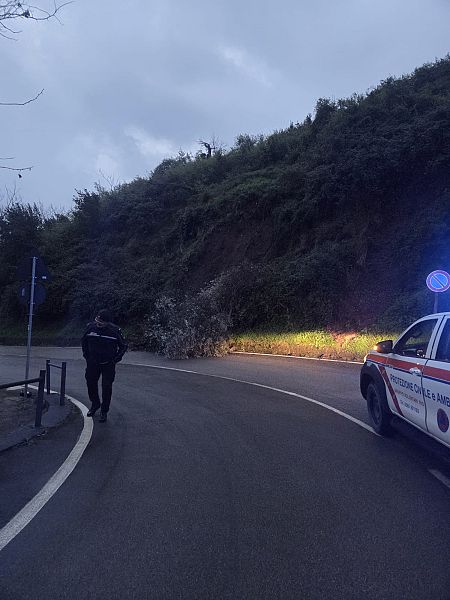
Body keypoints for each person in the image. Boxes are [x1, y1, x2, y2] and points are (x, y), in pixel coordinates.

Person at [81, 309, 128, 422]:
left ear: (107, 322)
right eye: (97, 320)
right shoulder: (90, 328)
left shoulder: (115, 331)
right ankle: (95, 404)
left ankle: (104, 410)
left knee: (106, 387)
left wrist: (115, 359)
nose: (98, 324)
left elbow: (123, 346)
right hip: (93, 363)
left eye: (101, 322)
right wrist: (87, 356)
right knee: (90, 383)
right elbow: (84, 342)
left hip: (108, 364)